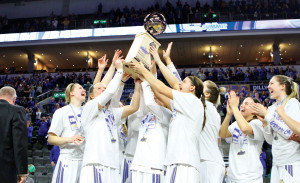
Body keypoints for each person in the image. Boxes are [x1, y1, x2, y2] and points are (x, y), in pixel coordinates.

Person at [130, 59, 205, 182]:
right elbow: (158, 95)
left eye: (184, 82)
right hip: (176, 162)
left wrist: (144, 71)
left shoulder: (192, 101)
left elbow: (161, 89)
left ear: (192, 88)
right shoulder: (182, 105)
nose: (180, 84)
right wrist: (145, 79)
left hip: (183, 163)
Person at [80, 56, 141, 182]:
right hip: (95, 165)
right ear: (91, 96)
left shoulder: (111, 113)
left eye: (104, 88)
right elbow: (110, 92)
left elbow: (134, 107)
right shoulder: (89, 108)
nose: (103, 89)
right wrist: (118, 70)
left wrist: (137, 85)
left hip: (113, 166)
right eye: (99, 89)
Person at [250, 75, 300, 183]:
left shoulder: (292, 103)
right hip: (277, 161)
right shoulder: (272, 108)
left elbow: (289, 134)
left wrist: (267, 116)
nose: (268, 87)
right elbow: (270, 140)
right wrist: (265, 124)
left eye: (272, 83)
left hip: (291, 161)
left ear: (283, 86)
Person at [130, 64, 171, 182]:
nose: (154, 96)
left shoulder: (166, 113)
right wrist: (139, 82)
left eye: (157, 95)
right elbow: (143, 103)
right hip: (138, 164)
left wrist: (145, 81)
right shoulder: (146, 113)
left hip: (155, 166)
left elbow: (149, 102)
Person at [219, 91, 264, 183]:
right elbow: (223, 134)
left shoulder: (258, 124)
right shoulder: (236, 124)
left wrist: (235, 107)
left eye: (246, 104)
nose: (242, 105)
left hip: (250, 178)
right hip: (233, 177)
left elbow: (245, 128)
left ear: (255, 110)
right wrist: (228, 114)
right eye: (242, 103)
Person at [48, 82, 87, 183]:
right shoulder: (61, 112)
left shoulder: (88, 111)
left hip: (86, 161)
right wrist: (69, 139)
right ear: (71, 93)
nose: (84, 90)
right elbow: (51, 138)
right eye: (80, 88)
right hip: (68, 160)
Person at [199, 80, 226, 183]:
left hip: (208, 162)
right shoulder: (213, 111)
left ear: (206, 94)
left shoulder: (202, 107)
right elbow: (218, 140)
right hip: (212, 160)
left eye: (201, 86)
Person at [0, 86, 28, 183]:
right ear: (14, 99)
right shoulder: (16, 111)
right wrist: (22, 172)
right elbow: (19, 144)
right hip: (6, 170)